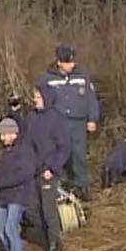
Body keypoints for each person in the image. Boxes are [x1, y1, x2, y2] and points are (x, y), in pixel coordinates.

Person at [36, 43, 100, 199]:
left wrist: (92, 118)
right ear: (59, 62)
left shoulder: (82, 75)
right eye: (67, 62)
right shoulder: (46, 78)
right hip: (57, 122)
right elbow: (40, 101)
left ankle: (81, 185)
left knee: (78, 155)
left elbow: (91, 98)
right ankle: (57, 185)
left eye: (72, 61)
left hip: (78, 122)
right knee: (57, 154)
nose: (71, 65)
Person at [17, 88, 70, 251]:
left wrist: (52, 168)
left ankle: (54, 243)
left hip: (48, 171)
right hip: (32, 170)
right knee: (31, 208)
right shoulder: (31, 118)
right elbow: (25, 143)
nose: (35, 100)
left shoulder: (56, 119)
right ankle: (43, 236)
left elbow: (64, 148)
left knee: (48, 209)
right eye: (34, 97)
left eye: (38, 97)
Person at [0, 117, 38, 251]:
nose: (2, 138)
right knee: (0, 229)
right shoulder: (6, 151)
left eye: (5, 134)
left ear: (14, 133)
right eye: (1, 135)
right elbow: (5, 171)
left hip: (18, 195)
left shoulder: (25, 150)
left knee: (10, 228)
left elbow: (23, 174)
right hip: (5, 196)